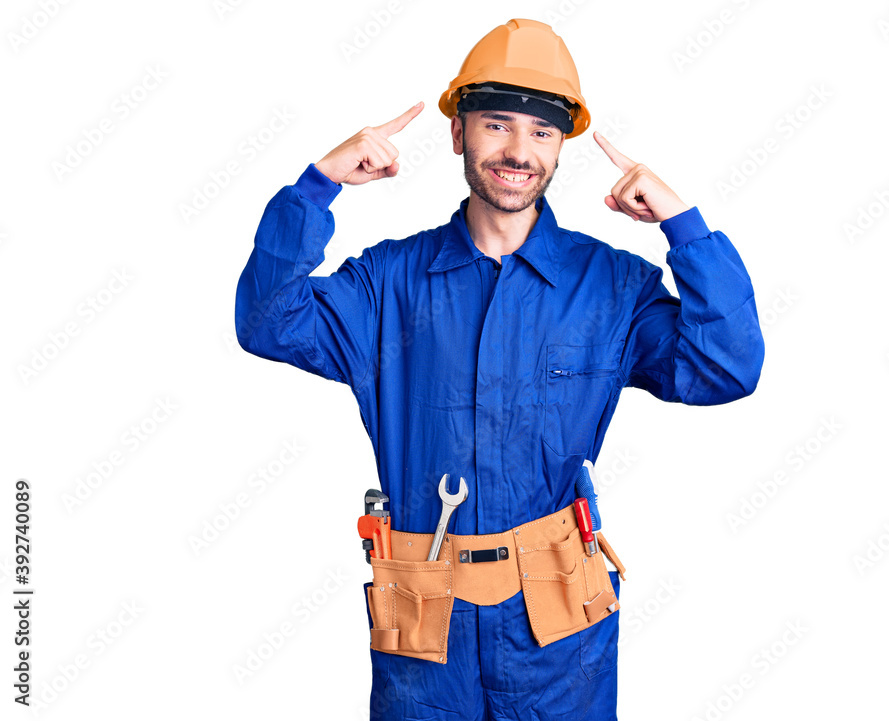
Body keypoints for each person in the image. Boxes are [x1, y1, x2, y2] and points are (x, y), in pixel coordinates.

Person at [235, 17, 764, 721]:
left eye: (542, 132)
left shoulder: (611, 288)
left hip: (557, 635)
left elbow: (727, 365)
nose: (519, 149)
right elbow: (267, 321)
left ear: (562, 145)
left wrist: (685, 226)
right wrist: (315, 188)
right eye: (496, 124)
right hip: (426, 636)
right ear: (458, 133)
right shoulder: (387, 284)